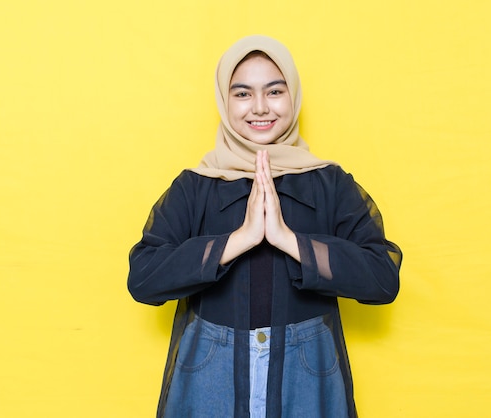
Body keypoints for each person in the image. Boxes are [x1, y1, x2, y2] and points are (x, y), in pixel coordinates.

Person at [127, 35, 402, 418]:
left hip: (306, 373)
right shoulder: (196, 185)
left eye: (274, 91)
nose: (259, 107)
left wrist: (289, 241)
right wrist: (238, 241)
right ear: (225, 101)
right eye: (242, 94)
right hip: (211, 372)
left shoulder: (330, 182)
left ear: (294, 96)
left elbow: (382, 277)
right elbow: (143, 278)